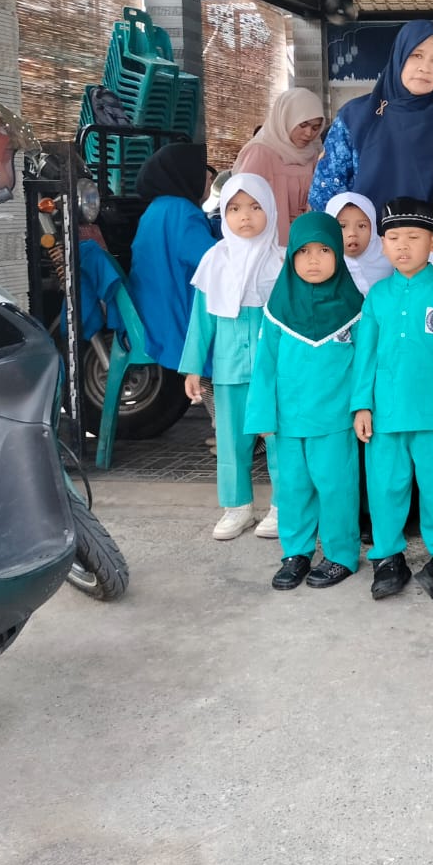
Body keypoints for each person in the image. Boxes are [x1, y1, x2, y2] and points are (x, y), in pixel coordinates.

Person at [351, 197, 433, 602]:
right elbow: (365, 356)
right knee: (386, 488)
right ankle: (388, 557)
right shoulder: (378, 296)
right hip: (386, 415)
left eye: (413, 237)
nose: (402, 246)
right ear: (383, 245)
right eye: (393, 238)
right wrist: (362, 404)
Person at [245, 213, 364, 590]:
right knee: (293, 489)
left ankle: (341, 555)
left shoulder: (355, 308)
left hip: (336, 422)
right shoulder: (277, 310)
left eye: (324, 250)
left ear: (339, 254)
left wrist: (363, 408)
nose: (313, 260)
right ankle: (296, 552)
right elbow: (264, 367)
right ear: (290, 256)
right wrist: (263, 417)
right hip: (289, 422)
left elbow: (366, 365)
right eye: (303, 251)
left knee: (337, 488)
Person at [179, 173, 284, 541]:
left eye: (255, 207)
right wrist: (193, 368)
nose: (245, 216)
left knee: (279, 440)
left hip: (273, 372)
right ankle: (237, 507)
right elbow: (201, 321)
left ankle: (282, 506)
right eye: (235, 208)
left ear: (270, 209)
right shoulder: (215, 261)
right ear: (223, 213)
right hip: (228, 371)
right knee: (230, 441)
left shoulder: (282, 262)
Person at [307, 20, 433, 212]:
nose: (425, 67)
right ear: (399, 56)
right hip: (367, 231)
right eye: (417, 55)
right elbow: (325, 195)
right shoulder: (356, 118)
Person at [128, 143, 216, 374]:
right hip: (175, 321)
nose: (210, 176)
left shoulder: (157, 208)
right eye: (203, 169)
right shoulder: (182, 212)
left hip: (152, 312)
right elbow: (214, 263)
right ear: (184, 173)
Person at [232, 86, 326, 244]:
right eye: (303, 125)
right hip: (269, 243)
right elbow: (243, 205)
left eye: (315, 127)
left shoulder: (312, 154)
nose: (309, 133)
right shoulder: (260, 152)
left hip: (306, 240)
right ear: (286, 118)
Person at [324, 191, 391, 294]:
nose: (352, 233)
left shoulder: (391, 256)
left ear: (373, 228)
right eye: (342, 226)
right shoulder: (323, 263)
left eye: (361, 226)